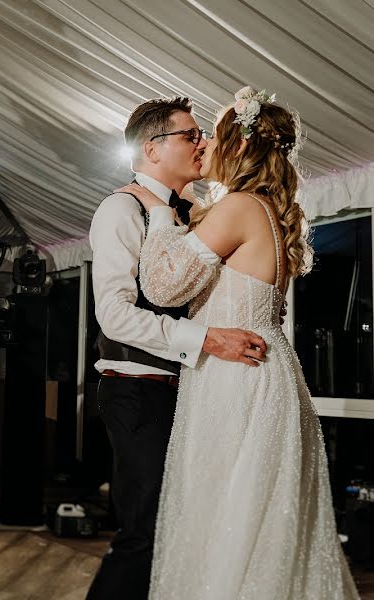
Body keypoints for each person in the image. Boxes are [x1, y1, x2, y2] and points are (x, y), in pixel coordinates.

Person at [122, 87, 359, 598]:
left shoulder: (238, 208)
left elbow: (164, 286)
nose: (203, 142)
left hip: (235, 381)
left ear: (238, 146)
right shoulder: (262, 209)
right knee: (248, 515)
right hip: (262, 374)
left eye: (214, 132)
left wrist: (159, 212)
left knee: (224, 514)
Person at [86, 96, 270, 600]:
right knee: (143, 533)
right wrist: (209, 340)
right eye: (190, 135)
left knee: (183, 534)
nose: (201, 143)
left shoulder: (196, 214)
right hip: (137, 391)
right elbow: (115, 316)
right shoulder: (121, 209)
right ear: (152, 148)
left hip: (192, 394)